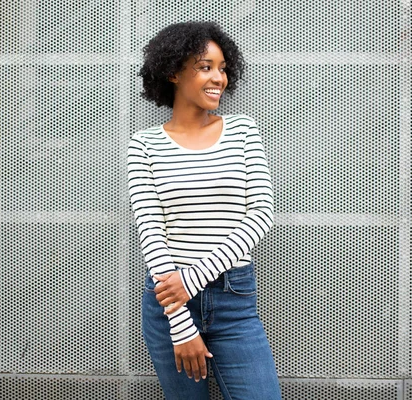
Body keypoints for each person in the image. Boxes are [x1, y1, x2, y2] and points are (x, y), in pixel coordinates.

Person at [128, 21, 282, 400]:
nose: (219, 78)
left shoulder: (243, 131)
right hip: (168, 303)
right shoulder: (143, 144)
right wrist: (180, 322)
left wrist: (191, 279)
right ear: (173, 72)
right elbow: (151, 232)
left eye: (223, 68)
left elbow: (261, 214)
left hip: (234, 299)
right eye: (205, 67)